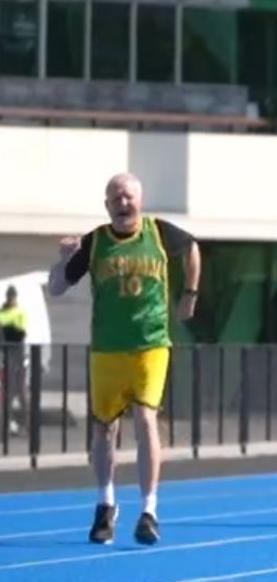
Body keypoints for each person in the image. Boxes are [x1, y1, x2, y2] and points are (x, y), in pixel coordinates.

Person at [47, 173, 201, 545]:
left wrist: (190, 294)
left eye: (128, 195)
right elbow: (56, 288)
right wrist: (64, 258)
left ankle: (149, 510)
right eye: (115, 197)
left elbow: (193, 248)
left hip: (150, 344)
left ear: (140, 200)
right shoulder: (95, 242)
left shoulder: (160, 233)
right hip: (107, 349)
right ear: (106, 204)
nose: (123, 202)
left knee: (145, 417)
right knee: (103, 427)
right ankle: (106, 504)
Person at [0, 286, 29, 434]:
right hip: (8, 361)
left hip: (18, 360)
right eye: (10, 297)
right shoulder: (4, 313)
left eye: (13, 297)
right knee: (8, 395)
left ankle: (25, 426)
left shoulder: (18, 313)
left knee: (22, 395)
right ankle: (7, 425)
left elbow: (21, 334)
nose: (12, 300)